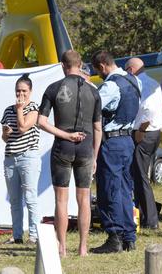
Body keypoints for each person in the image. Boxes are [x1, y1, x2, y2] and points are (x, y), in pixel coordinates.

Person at [38, 50, 102, 257]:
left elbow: (41, 122)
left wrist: (65, 135)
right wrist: (95, 155)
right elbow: (98, 128)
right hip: (86, 148)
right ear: (80, 64)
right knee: (84, 199)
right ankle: (83, 247)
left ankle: (62, 247)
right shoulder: (93, 91)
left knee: (61, 200)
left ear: (63, 66)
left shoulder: (54, 88)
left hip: (62, 148)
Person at [90, 50, 140, 253]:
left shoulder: (110, 86)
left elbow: (93, 109)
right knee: (125, 190)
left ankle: (114, 236)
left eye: (98, 70)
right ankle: (129, 236)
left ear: (102, 66)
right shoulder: (134, 81)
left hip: (112, 142)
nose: (99, 74)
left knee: (110, 189)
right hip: (128, 139)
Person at [124, 57, 162, 230]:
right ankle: (143, 214)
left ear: (130, 70)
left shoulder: (140, 83)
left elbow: (148, 110)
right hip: (154, 132)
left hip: (145, 132)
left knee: (141, 176)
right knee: (140, 175)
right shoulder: (151, 82)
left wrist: (140, 130)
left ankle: (150, 219)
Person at [0, 74, 41, 245]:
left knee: (30, 197)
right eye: (18, 90)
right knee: (14, 200)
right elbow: (4, 137)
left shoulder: (34, 108)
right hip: (10, 157)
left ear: (30, 91)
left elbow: (24, 127)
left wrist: (19, 109)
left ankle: (33, 235)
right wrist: (5, 133)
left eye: (24, 91)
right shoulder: (8, 110)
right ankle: (17, 234)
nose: (21, 94)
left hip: (28, 156)